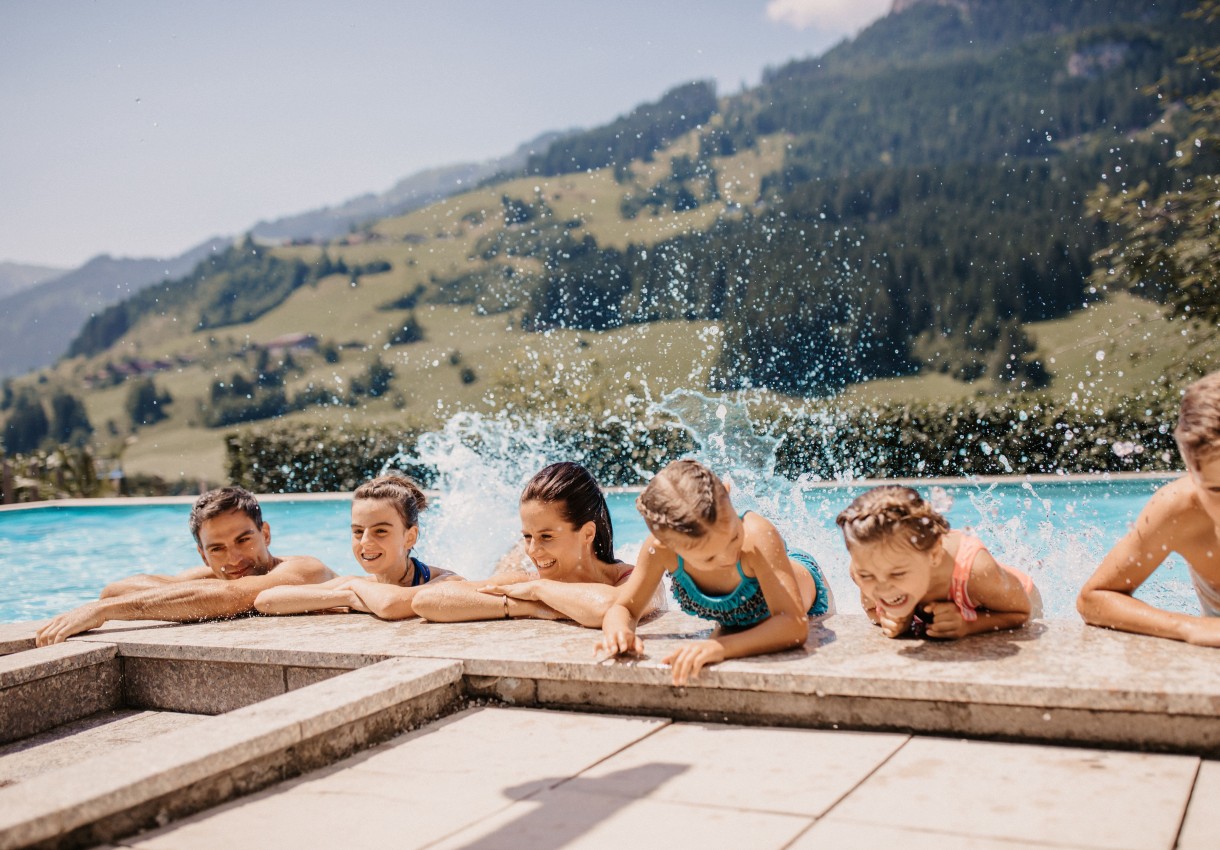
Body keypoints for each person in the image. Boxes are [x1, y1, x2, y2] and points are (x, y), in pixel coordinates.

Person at [598, 459, 832, 685]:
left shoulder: (756, 537)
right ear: (666, 545)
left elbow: (793, 625)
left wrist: (720, 648)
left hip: (808, 599)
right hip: (742, 615)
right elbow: (624, 608)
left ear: (728, 493)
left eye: (734, 537)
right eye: (709, 557)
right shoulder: (659, 550)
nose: (729, 556)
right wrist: (619, 632)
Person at [35, 486, 335, 646]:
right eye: (217, 549)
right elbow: (116, 589)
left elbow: (231, 597)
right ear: (203, 555)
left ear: (265, 533)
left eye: (244, 540)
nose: (233, 559)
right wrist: (198, 592)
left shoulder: (304, 569)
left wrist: (101, 612)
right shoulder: (212, 578)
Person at [1078, 370, 1220, 645]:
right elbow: (1093, 599)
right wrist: (1189, 627)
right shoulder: (1180, 509)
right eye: (1217, 490)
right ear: (1192, 472)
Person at [413, 461, 643, 627]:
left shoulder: (631, 579)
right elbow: (427, 600)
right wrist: (528, 606)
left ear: (587, 533)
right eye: (527, 536)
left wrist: (538, 590)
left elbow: (609, 607)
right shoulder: (526, 581)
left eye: (546, 536)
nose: (532, 551)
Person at [836, 485, 1039, 640]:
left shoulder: (976, 569)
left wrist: (969, 624)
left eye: (897, 574)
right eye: (867, 576)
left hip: (1015, 600)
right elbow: (872, 610)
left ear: (933, 555)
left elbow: (1021, 613)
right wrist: (892, 620)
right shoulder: (866, 567)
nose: (882, 587)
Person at [254, 473, 461, 619]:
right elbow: (266, 600)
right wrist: (347, 596)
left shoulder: (444, 580)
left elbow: (390, 604)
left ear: (410, 536)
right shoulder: (359, 585)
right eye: (358, 531)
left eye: (380, 531)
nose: (365, 542)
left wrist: (353, 586)